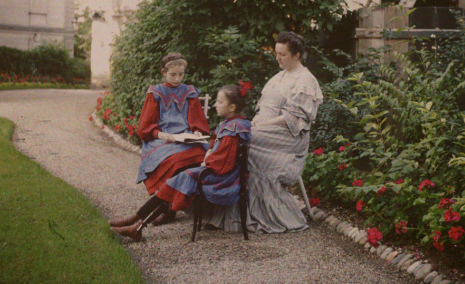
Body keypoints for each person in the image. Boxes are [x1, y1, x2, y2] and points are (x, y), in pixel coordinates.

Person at [204, 31, 323, 233]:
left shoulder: (305, 81)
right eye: (276, 53)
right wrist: (255, 122)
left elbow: (292, 118)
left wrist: (259, 126)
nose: (277, 57)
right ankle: (223, 208)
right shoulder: (279, 76)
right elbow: (263, 109)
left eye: (282, 54)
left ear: (296, 55)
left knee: (242, 139)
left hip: (288, 138)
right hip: (266, 130)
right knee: (232, 135)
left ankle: (251, 213)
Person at [108, 84, 252, 242]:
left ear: (232, 107)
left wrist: (206, 161)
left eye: (219, 102)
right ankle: (137, 224)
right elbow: (215, 143)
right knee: (175, 184)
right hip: (215, 172)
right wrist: (210, 151)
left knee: (177, 182)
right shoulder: (229, 124)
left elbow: (224, 162)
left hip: (221, 178)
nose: (215, 105)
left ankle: (136, 221)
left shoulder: (234, 128)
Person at [110, 53, 210, 227]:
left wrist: (196, 132)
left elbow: (197, 119)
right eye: (173, 74)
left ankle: (168, 210)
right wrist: (161, 134)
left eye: (181, 74)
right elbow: (145, 125)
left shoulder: (189, 92)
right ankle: (167, 209)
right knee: (175, 161)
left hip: (185, 138)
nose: (177, 78)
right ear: (164, 72)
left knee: (199, 155)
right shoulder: (156, 92)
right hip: (162, 138)